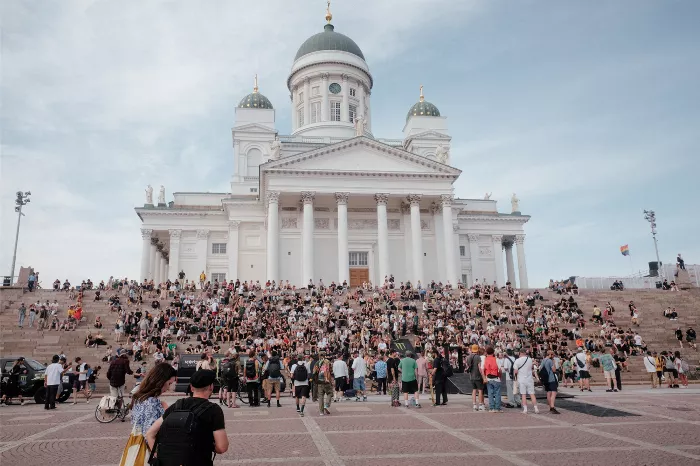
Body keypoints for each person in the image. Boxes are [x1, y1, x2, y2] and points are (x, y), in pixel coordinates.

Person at [146, 370, 228, 466]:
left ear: (192, 388)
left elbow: (150, 434)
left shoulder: (177, 405)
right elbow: (222, 447)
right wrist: (206, 444)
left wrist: (157, 456)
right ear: (211, 387)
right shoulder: (213, 410)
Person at [119, 364, 177, 466]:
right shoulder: (152, 402)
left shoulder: (139, 397)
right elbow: (149, 435)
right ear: (161, 381)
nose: (168, 388)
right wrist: (159, 458)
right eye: (169, 383)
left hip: (135, 444)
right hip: (147, 449)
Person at [513, 349, 539, 414]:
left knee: (523, 394)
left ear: (520, 353)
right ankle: (536, 408)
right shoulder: (529, 359)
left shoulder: (517, 360)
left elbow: (515, 371)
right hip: (529, 379)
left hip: (521, 379)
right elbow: (532, 367)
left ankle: (525, 409)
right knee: (532, 394)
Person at [481, 346, 503, 413]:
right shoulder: (496, 359)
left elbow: (482, 370)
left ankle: (491, 408)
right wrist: (500, 377)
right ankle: (497, 408)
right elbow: (500, 370)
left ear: (486, 353)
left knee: (490, 394)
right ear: (493, 352)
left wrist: (484, 377)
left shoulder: (485, 359)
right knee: (497, 393)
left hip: (488, 378)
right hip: (496, 378)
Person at [466, 345, 485, 411]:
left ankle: (474, 404)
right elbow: (479, 367)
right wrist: (483, 375)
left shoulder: (468, 357)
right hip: (478, 375)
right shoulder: (478, 357)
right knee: (480, 390)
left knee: (474, 390)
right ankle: (480, 404)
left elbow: (468, 366)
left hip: (471, 376)